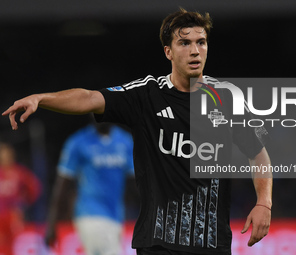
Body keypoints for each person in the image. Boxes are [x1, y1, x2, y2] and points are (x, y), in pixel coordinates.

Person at [2, 8, 272, 255]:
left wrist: (264, 203)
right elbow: (89, 98)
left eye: (201, 42)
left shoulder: (227, 98)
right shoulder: (147, 94)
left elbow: (258, 155)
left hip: (212, 242)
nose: (195, 51)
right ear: (168, 51)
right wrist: (41, 98)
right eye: (184, 43)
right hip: (157, 243)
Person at [44, 122, 134, 255]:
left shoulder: (125, 141)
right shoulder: (78, 142)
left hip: (116, 216)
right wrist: (52, 223)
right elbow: (62, 185)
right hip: (90, 214)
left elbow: (134, 182)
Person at [0, 142, 41, 255]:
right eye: (3, 154)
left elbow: (34, 188)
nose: (6, 157)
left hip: (13, 216)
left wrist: (22, 204)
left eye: (8, 154)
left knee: (13, 244)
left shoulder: (20, 172)